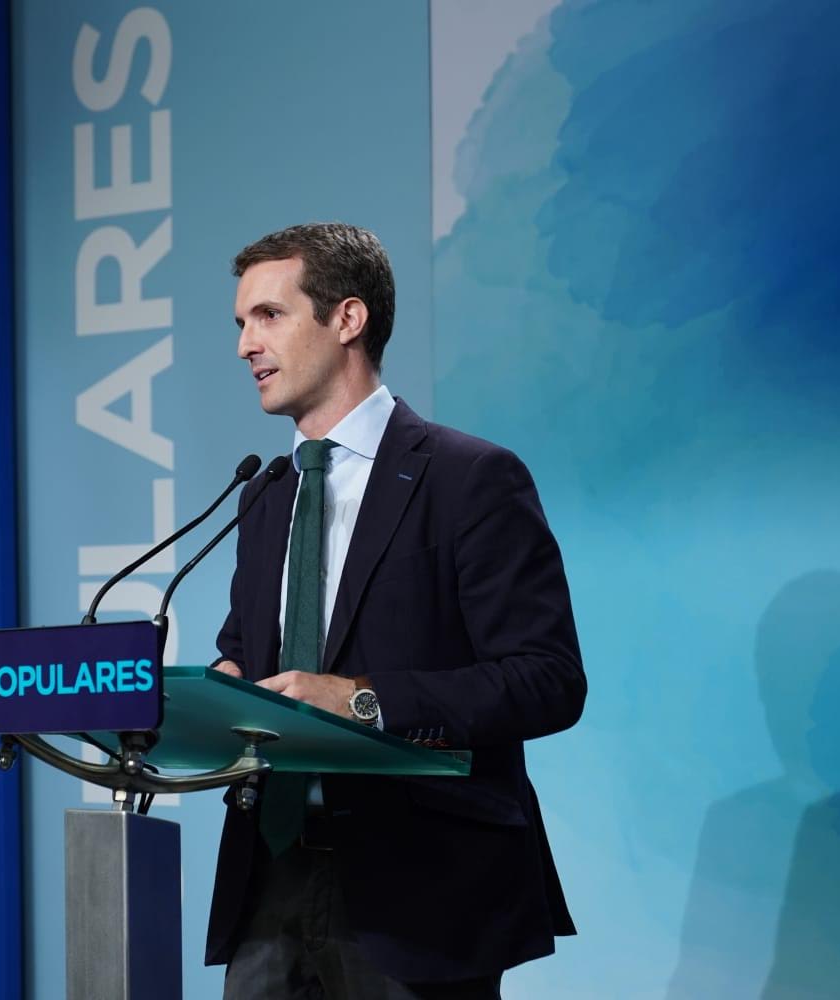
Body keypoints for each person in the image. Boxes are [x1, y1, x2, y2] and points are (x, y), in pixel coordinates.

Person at [207, 223, 585, 999]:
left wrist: (362, 700)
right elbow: (245, 651)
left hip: (423, 893)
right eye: (241, 322)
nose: (246, 344)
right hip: (271, 878)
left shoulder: (470, 478)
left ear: (348, 318)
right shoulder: (265, 495)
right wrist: (222, 687)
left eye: (269, 315)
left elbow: (547, 680)